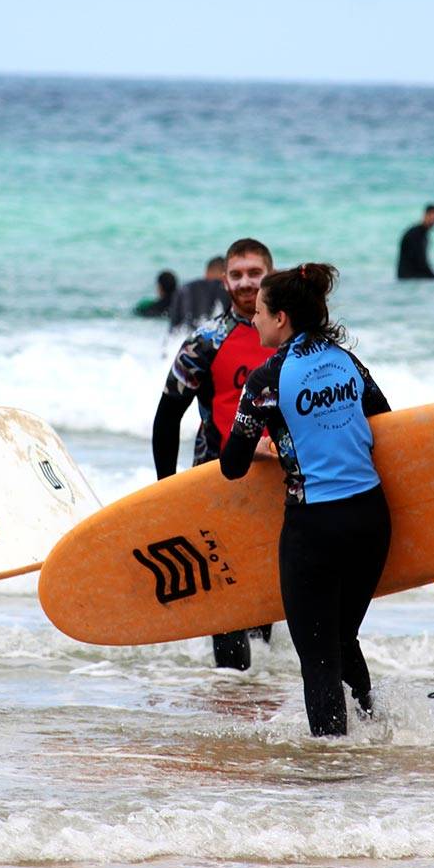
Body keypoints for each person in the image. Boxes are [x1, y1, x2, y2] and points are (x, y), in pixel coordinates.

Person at [220, 263, 392, 736]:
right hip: (371, 521)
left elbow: (231, 464)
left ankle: (330, 768)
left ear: (282, 319)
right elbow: (384, 421)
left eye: (259, 312)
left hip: (314, 528)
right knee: (341, 636)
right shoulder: (347, 362)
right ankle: (377, 730)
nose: (253, 320)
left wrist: (265, 445)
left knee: (317, 656)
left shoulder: (266, 379)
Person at [152, 239, 275, 671]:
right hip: (216, 485)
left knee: (265, 599)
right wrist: (166, 491)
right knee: (225, 602)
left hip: (278, 487)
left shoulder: (289, 338)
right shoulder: (205, 342)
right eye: (237, 274)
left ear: (269, 275)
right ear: (224, 281)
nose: (246, 282)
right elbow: (167, 416)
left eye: (254, 273)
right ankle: (231, 693)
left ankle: (262, 691)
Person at [169, 256, 230, 330]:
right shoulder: (226, 289)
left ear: (207, 272)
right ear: (225, 274)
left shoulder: (184, 289)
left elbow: (173, 327)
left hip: (182, 338)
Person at [397, 204, 434, 280]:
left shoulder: (422, 234)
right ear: (425, 215)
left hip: (410, 277)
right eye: (433, 218)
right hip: (409, 278)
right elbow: (420, 263)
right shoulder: (416, 234)